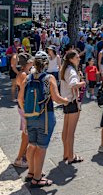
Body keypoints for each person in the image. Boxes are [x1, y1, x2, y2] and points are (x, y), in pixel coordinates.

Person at [19, 53, 70, 188]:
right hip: (45, 115)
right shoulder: (48, 78)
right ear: (46, 64)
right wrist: (66, 101)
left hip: (30, 116)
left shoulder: (28, 78)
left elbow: (20, 98)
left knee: (32, 144)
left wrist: (26, 111)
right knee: (41, 148)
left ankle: (31, 172)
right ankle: (37, 178)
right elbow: (56, 98)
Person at [60, 50, 85, 163]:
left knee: (65, 129)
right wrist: (83, 83)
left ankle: (66, 153)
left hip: (66, 101)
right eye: (77, 57)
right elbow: (73, 84)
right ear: (71, 59)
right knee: (71, 132)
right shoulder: (72, 71)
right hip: (72, 101)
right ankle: (70, 156)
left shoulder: (65, 69)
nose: (79, 59)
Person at [13, 52, 34, 169]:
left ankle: (23, 156)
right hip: (25, 107)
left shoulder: (25, 73)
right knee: (26, 134)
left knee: (26, 133)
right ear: (28, 62)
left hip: (24, 106)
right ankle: (19, 158)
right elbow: (22, 95)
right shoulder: (23, 75)